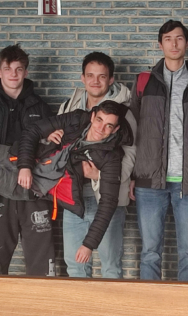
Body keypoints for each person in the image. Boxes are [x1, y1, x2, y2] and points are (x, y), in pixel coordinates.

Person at [130, 19, 188, 281]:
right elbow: (131, 133)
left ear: (187, 43)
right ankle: (149, 302)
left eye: (179, 38)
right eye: (168, 39)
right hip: (148, 182)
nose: (174, 43)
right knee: (149, 252)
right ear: (160, 44)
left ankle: (187, 302)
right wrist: (131, 177)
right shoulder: (144, 82)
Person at [17, 100, 133, 272]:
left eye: (109, 126)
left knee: (110, 267)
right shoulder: (77, 119)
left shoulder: (111, 156)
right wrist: (25, 165)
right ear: (92, 116)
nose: (101, 129)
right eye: (99, 120)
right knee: (74, 266)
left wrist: (88, 244)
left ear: (115, 129)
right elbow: (33, 130)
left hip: (94, 198)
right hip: (73, 202)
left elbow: (108, 202)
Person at [54, 52, 137, 278]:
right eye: (90, 75)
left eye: (102, 76)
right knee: (76, 267)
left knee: (111, 267)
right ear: (82, 78)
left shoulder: (123, 113)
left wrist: (100, 175)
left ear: (111, 79)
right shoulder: (69, 107)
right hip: (74, 197)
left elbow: (131, 154)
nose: (95, 81)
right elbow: (58, 146)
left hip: (107, 196)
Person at [0, 44, 55, 276]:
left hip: (33, 189)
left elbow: (51, 149)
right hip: (1, 189)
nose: (13, 74)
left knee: (41, 262)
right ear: (0, 72)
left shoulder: (40, 107)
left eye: (18, 69)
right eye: (7, 69)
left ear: (26, 72)